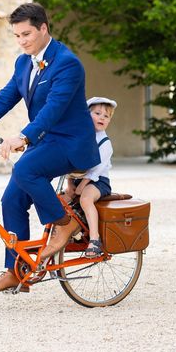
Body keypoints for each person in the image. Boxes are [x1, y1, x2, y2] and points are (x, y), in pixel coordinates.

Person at [0, 2, 99, 292]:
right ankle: (15, 269)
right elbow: (4, 98)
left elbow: (54, 109)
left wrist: (23, 137)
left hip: (72, 143)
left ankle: (64, 223)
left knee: (25, 168)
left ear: (43, 29)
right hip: (47, 140)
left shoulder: (67, 63)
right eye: (17, 36)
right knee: (12, 199)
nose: (22, 41)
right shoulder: (23, 63)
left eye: (27, 34)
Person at [65, 97, 116, 258]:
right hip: (79, 179)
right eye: (97, 113)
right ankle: (70, 233)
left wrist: (82, 185)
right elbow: (70, 161)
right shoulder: (80, 137)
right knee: (62, 200)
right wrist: (70, 183)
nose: (102, 117)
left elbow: (96, 168)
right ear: (87, 115)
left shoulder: (104, 142)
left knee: (85, 198)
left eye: (106, 116)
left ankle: (95, 239)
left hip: (98, 181)